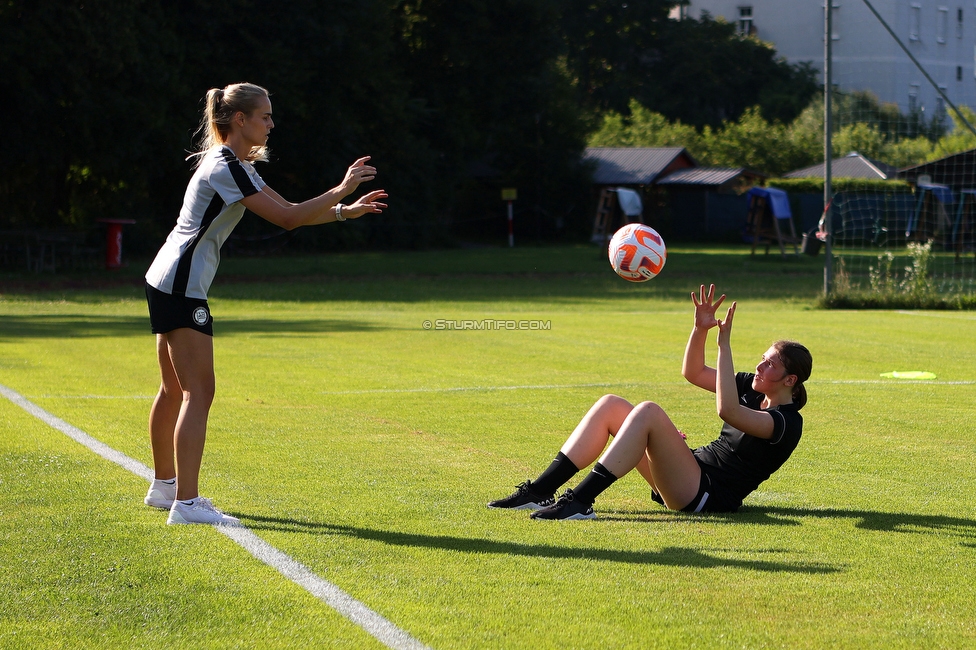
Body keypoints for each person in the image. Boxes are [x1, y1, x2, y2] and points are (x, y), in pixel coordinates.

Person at [143, 82, 387, 525]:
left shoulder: (235, 165)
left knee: (176, 389)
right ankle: (187, 503)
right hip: (181, 285)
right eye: (265, 116)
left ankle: (165, 488)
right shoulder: (227, 167)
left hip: (165, 278)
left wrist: (341, 211)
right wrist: (341, 188)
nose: (272, 124)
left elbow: (288, 209)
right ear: (240, 119)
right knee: (199, 392)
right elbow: (290, 218)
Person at [488, 284, 812, 520]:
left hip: (706, 495)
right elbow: (694, 371)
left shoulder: (786, 423)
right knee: (612, 405)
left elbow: (727, 410)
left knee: (648, 412)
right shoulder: (754, 388)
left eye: (770, 363)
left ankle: (580, 502)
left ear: (790, 380)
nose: (759, 366)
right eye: (762, 359)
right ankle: (540, 491)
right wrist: (700, 329)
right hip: (690, 472)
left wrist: (723, 346)